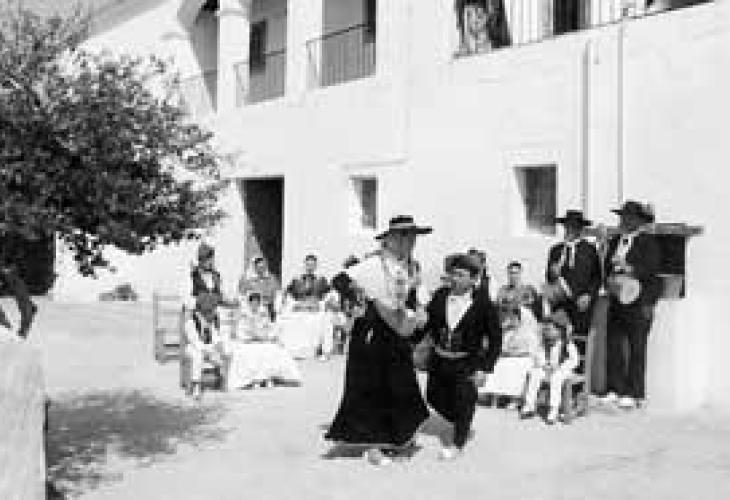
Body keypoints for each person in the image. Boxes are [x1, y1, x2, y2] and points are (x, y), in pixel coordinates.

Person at [325, 215, 432, 466]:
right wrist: (358, 297)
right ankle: (374, 446)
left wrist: (419, 312)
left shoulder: (412, 267)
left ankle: (398, 438)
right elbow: (339, 280)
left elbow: (412, 296)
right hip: (371, 334)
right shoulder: (374, 264)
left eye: (412, 236)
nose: (409, 241)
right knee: (372, 388)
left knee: (401, 386)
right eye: (403, 236)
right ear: (390, 239)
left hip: (397, 331)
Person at [417, 253, 502, 460]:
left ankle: (458, 443)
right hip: (439, 360)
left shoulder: (484, 304)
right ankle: (461, 419)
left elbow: (495, 339)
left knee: (464, 400)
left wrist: (485, 369)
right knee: (433, 397)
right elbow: (428, 324)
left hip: (467, 362)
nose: (455, 279)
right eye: (453, 274)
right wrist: (412, 334)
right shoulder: (440, 295)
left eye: (461, 275)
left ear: (474, 279)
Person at [602, 200, 662, 410]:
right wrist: (609, 279)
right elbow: (606, 267)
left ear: (637, 221)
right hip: (617, 298)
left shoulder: (649, 242)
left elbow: (651, 269)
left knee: (637, 348)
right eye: (622, 217)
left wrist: (628, 267)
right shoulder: (614, 241)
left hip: (639, 301)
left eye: (627, 217)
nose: (623, 220)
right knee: (613, 345)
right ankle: (614, 388)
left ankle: (634, 393)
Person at [544, 210, 602, 340]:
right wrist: (552, 274)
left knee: (580, 338)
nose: (570, 229)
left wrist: (589, 295)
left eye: (574, 226)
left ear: (580, 229)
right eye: (568, 226)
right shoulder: (556, 250)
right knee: (559, 335)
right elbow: (549, 278)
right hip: (560, 302)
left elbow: (597, 277)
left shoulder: (590, 250)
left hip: (582, 302)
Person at [225, 292, 302, 390]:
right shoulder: (243, 314)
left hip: (262, 341)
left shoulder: (263, 312)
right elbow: (240, 330)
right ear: (249, 303)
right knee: (248, 354)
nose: (255, 304)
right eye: (253, 302)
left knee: (274, 350)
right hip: (247, 342)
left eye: (257, 302)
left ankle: (271, 377)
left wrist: (265, 336)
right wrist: (250, 336)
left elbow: (268, 327)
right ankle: (253, 380)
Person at [520, 310, 579, 424]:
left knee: (556, 378)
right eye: (546, 330)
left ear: (560, 331)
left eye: (550, 330)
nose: (547, 332)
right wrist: (543, 364)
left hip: (562, 371)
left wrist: (561, 367)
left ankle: (554, 408)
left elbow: (574, 360)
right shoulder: (543, 343)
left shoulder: (567, 344)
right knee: (535, 373)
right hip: (547, 369)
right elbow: (538, 355)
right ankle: (529, 405)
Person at [277, 254, 335, 360]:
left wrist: (322, 304)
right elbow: (287, 295)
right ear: (304, 265)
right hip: (300, 310)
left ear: (316, 266)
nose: (310, 267)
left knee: (324, 321)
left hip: (316, 310)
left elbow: (328, 296)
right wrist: (293, 304)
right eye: (308, 265)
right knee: (288, 321)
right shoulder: (296, 280)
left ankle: (321, 351)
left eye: (312, 265)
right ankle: (294, 351)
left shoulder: (321, 280)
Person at [181, 293, 231, 401]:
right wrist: (206, 350)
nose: (212, 314)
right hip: (193, 348)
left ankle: (224, 381)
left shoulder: (210, 323)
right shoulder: (191, 322)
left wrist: (220, 348)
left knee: (224, 354)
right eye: (209, 311)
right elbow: (195, 341)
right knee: (197, 355)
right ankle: (196, 385)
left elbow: (215, 337)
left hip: (207, 348)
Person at [238, 256, 280, 320]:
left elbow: (277, 294)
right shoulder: (247, 279)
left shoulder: (271, 278)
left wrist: (276, 308)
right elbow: (241, 296)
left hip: (269, 309)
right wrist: (246, 310)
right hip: (252, 310)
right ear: (255, 267)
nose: (262, 269)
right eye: (260, 267)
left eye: (263, 267)